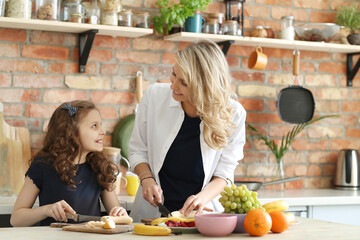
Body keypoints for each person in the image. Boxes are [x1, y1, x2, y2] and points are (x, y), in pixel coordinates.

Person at [128, 40, 246, 222]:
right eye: (173, 74)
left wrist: (202, 198)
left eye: (184, 83)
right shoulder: (154, 97)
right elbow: (138, 151)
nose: (173, 86)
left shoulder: (234, 113)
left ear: (205, 86)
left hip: (203, 217)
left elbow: (225, 173)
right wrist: (147, 180)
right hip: (152, 215)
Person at [10, 100, 128, 227]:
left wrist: (120, 214)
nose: (102, 131)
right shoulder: (42, 166)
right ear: (71, 132)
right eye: (94, 126)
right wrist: (46, 210)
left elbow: (118, 217)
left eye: (100, 125)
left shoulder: (100, 167)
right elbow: (16, 219)